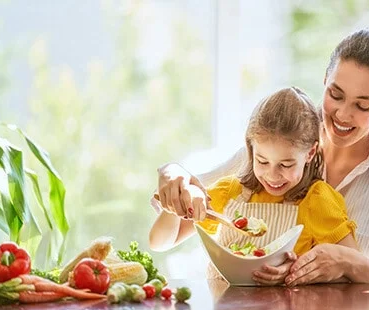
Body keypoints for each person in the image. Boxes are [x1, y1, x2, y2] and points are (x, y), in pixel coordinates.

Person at [152, 29, 369, 288]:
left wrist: (354, 264)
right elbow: (183, 206)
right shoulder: (278, 144)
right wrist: (174, 172)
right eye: (335, 95)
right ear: (325, 81)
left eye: (362, 105)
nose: (343, 115)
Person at [149, 87, 358, 282]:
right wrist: (174, 205)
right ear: (251, 149)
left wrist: (299, 271)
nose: (272, 175)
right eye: (262, 161)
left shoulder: (318, 201)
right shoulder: (230, 192)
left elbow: (352, 268)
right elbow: (160, 242)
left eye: (286, 164)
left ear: (310, 153)